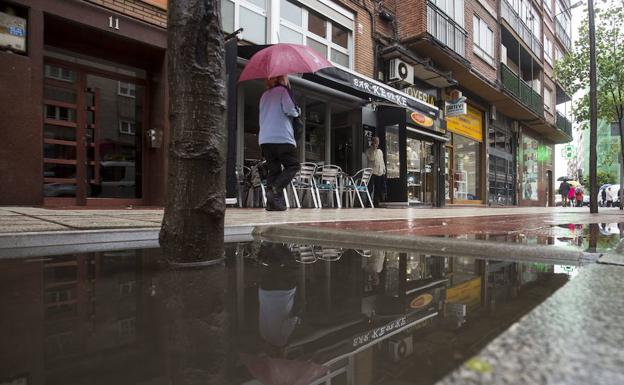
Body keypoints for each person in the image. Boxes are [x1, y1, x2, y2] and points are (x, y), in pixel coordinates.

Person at [259, 75, 301, 211]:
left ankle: (271, 203)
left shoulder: (264, 96)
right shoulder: (283, 91)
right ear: (282, 79)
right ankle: (275, 190)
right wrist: (298, 111)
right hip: (282, 137)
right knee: (293, 166)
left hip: (265, 139)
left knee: (274, 170)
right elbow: (290, 110)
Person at [366, 136, 386, 207]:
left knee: (377, 188)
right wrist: (374, 150)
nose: (377, 143)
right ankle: (368, 202)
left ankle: (376, 203)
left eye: (377, 142)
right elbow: (372, 159)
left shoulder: (380, 151)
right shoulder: (369, 151)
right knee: (370, 188)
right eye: (375, 142)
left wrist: (384, 169)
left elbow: (382, 161)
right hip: (372, 172)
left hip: (379, 172)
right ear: (372, 142)